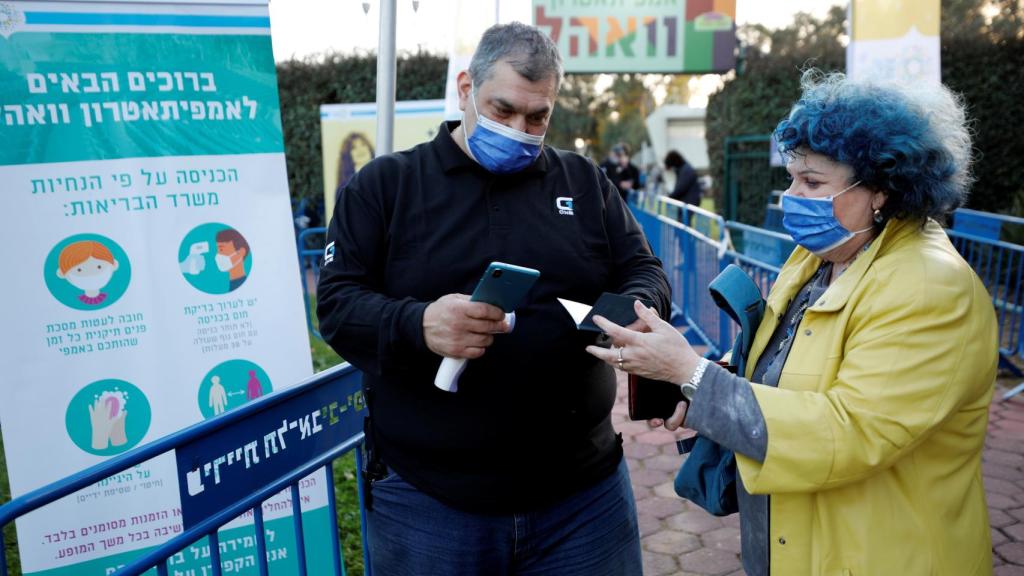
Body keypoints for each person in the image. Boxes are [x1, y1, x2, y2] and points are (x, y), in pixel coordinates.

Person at [587, 70, 997, 575]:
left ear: (882, 190)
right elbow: (783, 374)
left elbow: (850, 432)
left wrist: (694, 376)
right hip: (799, 542)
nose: (791, 196)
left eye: (812, 182)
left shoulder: (930, 287)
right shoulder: (820, 257)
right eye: (791, 177)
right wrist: (699, 394)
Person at [317, 22, 670, 575]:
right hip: (429, 504)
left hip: (584, 497)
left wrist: (626, 317)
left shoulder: (584, 182)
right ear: (465, 90)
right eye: (501, 110)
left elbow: (644, 270)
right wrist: (419, 323)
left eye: (537, 117)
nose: (519, 130)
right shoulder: (385, 187)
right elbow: (336, 306)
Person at [57, 240, 119, 306]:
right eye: (79, 270)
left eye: (99, 267)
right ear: (62, 273)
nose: (92, 275)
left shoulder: (117, 292)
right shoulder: (69, 301)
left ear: (114, 265)